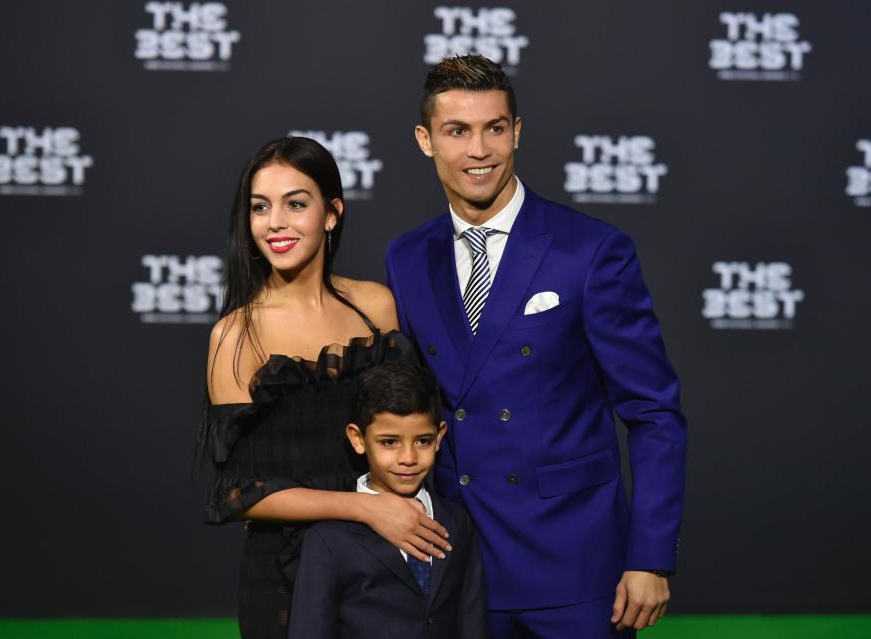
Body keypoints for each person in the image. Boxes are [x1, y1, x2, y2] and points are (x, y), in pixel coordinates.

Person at [385, 55, 688, 638]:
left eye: (494, 128)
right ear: (425, 141)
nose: (480, 150)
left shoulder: (591, 250)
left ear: (517, 132)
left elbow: (653, 412)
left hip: (576, 564)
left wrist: (650, 555)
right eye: (457, 131)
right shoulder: (406, 256)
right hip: (455, 560)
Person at [200, 137, 452, 639]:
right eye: (260, 207)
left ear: (331, 214)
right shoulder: (235, 334)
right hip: (285, 575)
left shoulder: (375, 306)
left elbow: (406, 424)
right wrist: (366, 507)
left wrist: (390, 511)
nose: (275, 222)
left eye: (296, 204)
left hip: (385, 558)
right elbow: (238, 493)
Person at [288, 360, 486, 639]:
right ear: (357, 439)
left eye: (423, 441)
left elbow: (471, 621)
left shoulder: (456, 522)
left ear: (440, 436)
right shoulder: (328, 538)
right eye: (389, 442)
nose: (408, 458)